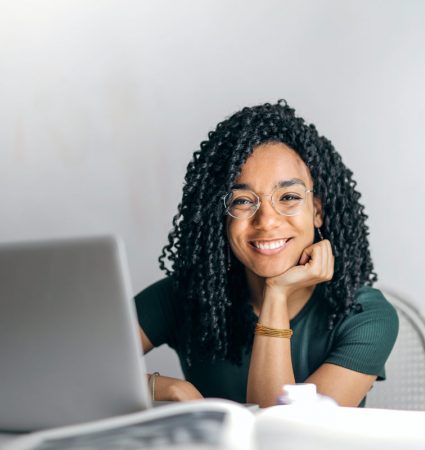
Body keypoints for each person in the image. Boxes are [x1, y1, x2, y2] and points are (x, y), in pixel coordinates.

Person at [135, 100, 399, 407]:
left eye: (288, 197)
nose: (267, 221)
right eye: (243, 201)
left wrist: (277, 293)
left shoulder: (364, 316)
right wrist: (167, 389)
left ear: (317, 210)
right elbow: (73, 370)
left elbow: (284, 436)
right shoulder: (184, 296)